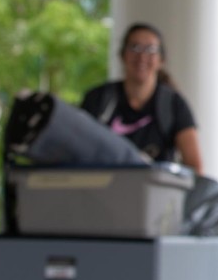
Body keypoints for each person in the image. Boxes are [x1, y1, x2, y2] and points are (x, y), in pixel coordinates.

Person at [80, 22, 204, 173]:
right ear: (123, 55)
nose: (142, 56)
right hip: (103, 191)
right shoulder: (98, 99)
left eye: (151, 49)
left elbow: (194, 166)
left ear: (161, 60)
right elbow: (78, 150)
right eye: (134, 47)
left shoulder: (173, 104)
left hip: (155, 193)